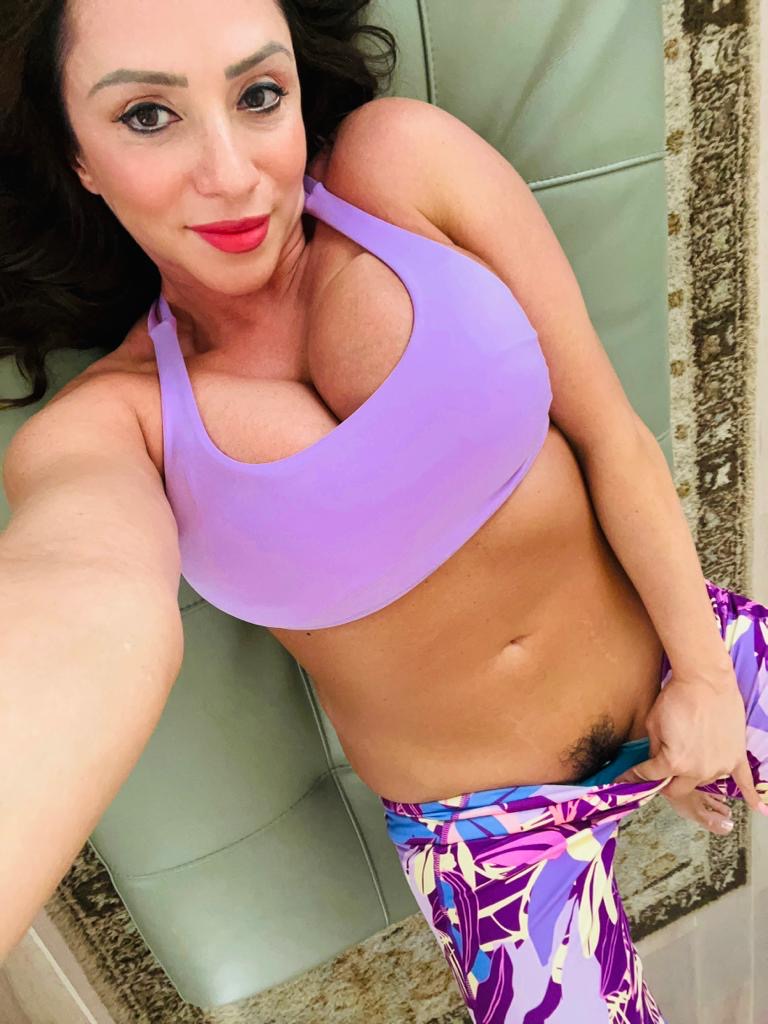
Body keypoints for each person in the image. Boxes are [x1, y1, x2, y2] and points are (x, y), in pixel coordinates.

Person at [0, 0, 765, 1020]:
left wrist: (705, 678)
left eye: (258, 95)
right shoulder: (109, 427)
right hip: (490, 843)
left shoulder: (403, 165)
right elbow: (74, 606)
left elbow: (613, 435)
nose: (232, 173)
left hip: (692, 652)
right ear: (77, 154)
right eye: (147, 115)